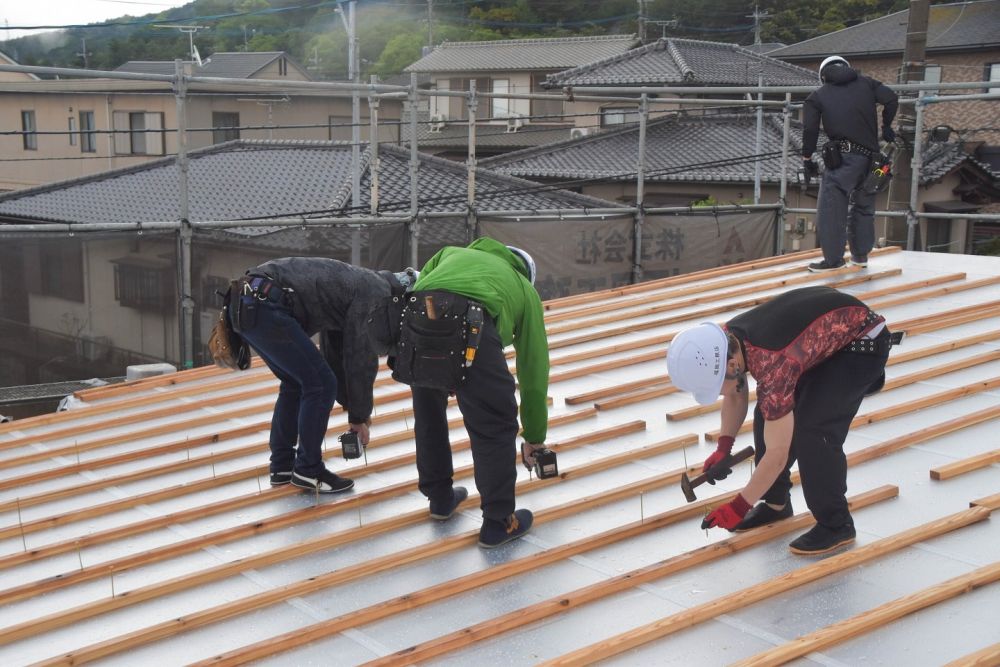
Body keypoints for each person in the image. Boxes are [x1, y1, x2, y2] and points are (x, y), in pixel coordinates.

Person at [666, 286, 898, 554]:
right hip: (822, 345)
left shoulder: (773, 363)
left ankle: (837, 524)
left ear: (730, 366)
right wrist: (724, 447)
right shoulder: (726, 342)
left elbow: (776, 454)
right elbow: (736, 391)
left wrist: (740, 505)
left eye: (715, 386)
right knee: (768, 412)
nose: (718, 392)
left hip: (860, 348)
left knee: (813, 430)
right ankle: (777, 504)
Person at [402, 237, 549, 548]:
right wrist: (534, 436)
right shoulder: (524, 289)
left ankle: (440, 498)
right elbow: (533, 368)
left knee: (428, 412)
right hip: (473, 326)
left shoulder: (450, 252)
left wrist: (445, 372)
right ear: (524, 272)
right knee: (495, 422)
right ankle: (499, 523)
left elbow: (418, 291)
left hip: (416, 325)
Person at [229, 257, 417, 494]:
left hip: (247, 302)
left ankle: (282, 466)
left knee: (296, 382)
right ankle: (308, 469)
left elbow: (336, 353)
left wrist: (353, 408)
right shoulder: (377, 293)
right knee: (320, 384)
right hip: (267, 303)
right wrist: (359, 418)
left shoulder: (358, 285)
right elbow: (360, 357)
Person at [802, 55, 898, 273]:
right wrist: (887, 126)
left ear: (823, 75)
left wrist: (807, 158)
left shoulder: (818, 96)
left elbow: (810, 129)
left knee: (832, 208)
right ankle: (861, 256)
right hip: (873, 160)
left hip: (844, 160)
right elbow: (891, 99)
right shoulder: (867, 83)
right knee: (864, 206)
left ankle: (834, 260)